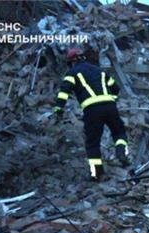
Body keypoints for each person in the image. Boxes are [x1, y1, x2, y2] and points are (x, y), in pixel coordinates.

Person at [54, 48, 129, 181]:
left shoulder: (72, 73)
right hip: (110, 106)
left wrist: (58, 109)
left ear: (71, 62)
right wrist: (110, 98)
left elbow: (64, 92)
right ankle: (121, 152)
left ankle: (97, 174)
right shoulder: (99, 70)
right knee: (119, 132)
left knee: (93, 143)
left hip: (92, 110)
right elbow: (116, 88)